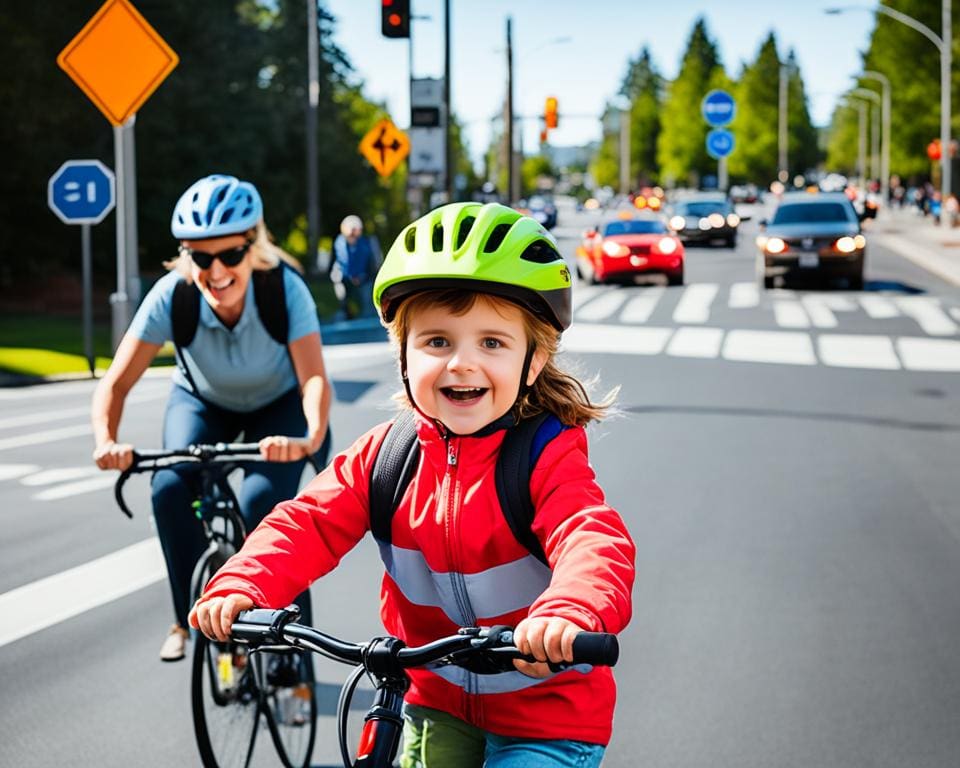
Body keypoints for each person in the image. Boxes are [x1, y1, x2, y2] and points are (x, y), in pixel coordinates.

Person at [189, 201, 636, 767]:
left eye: (492, 343)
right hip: (433, 706)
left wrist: (568, 612)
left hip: (546, 718)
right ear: (402, 352)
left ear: (535, 357)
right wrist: (243, 585)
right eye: (437, 341)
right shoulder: (388, 457)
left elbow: (591, 538)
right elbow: (306, 521)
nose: (461, 364)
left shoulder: (543, 457)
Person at [92, 174, 332, 662]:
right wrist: (106, 439)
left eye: (230, 256)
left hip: (278, 405)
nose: (216, 270)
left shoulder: (284, 289)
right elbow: (115, 383)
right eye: (201, 258)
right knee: (169, 488)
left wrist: (309, 436)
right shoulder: (171, 295)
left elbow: (313, 380)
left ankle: (290, 652)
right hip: (203, 401)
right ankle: (186, 618)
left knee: (264, 504)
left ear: (254, 246)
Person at [330, 214, 381, 319]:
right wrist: (350, 276)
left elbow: (372, 265)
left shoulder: (367, 243)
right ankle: (345, 311)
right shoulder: (339, 243)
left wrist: (361, 276)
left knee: (367, 300)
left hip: (365, 279)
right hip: (346, 279)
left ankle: (368, 317)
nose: (353, 233)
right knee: (341, 289)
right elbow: (340, 264)